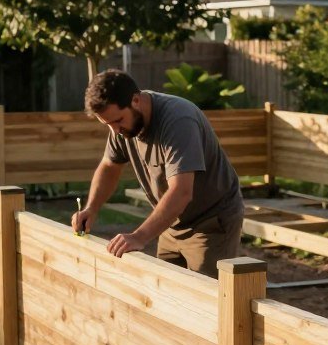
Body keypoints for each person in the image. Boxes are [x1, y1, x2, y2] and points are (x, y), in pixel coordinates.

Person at [72, 69, 245, 278]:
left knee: (207, 302)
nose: (115, 131)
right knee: (167, 294)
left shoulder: (179, 120)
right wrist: (91, 208)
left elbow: (181, 191)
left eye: (117, 121)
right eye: (107, 124)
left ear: (135, 100)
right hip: (171, 222)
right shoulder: (120, 125)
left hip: (210, 222)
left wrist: (139, 236)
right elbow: (110, 166)